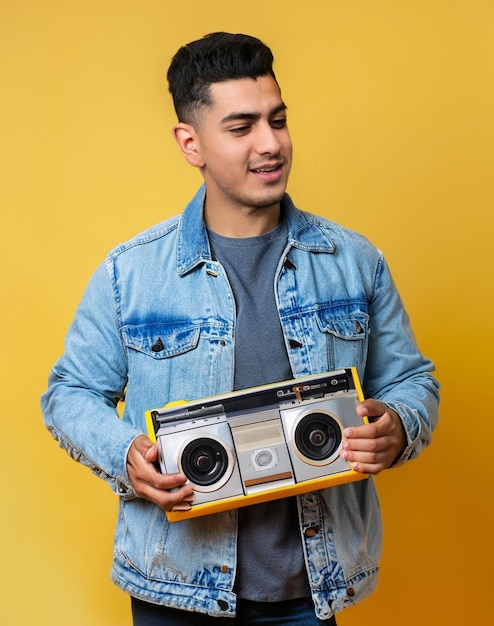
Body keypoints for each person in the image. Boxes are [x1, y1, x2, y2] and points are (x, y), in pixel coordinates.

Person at [41, 32, 439, 625]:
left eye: (278, 120)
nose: (271, 144)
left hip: (312, 589)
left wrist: (399, 426)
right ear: (190, 142)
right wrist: (126, 455)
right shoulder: (132, 272)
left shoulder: (354, 261)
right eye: (241, 127)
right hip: (174, 588)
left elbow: (413, 381)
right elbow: (68, 393)